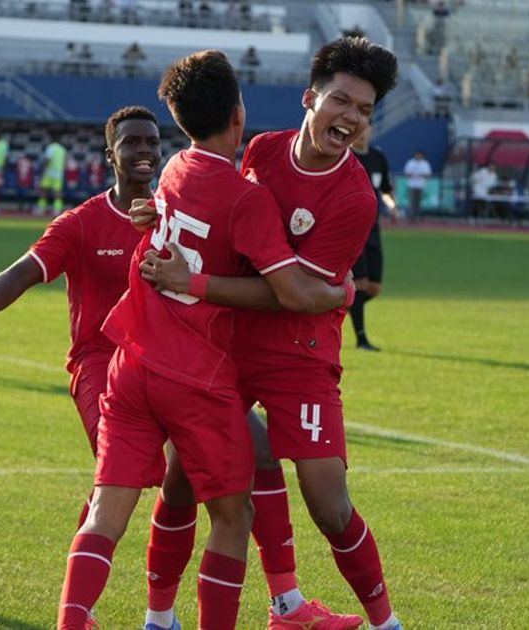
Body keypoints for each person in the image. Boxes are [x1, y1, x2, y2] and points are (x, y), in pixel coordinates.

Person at [56, 49, 355, 630]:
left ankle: (80, 621)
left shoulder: (171, 172)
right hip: (195, 374)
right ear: (239, 116)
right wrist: (340, 292)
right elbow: (292, 291)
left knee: (107, 513)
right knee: (232, 515)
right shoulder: (246, 198)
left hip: (131, 361)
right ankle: (266, 607)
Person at [138, 37, 404, 630]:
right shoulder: (260, 150)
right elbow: (220, 226)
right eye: (342, 101)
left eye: (364, 110)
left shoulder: (356, 197)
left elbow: (295, 298)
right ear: (311, 98)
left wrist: (196, 282)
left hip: (298, 355)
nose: (352, 119)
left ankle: (386, 623)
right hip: (226, 348)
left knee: (330, 508)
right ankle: (161, 617)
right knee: (181, 479)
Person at [0, 105, 161, 529]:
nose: (144, 150)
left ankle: (275, 591)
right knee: (124, 468)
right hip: (100, 363)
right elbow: (24, 269)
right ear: (110, 155)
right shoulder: (82, 223)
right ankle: (81, 580)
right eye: (131, 142)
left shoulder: (175, 217)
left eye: (152, 141)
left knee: (204, 477)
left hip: (165, 363)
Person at [351, 128, 399, 352]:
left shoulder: (378, 157)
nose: (362, 133)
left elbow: (386, 190)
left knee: (373, 287)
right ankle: (361, 340)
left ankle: (342, 307)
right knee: (359, 283)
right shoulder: (346, 157)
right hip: (352, 229)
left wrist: (392, 206)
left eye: (366, 129)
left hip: (373, 228)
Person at [38, 136, 68, 215]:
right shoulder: (62, 149)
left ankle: (41, 208)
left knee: (43, 190)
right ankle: (57, 209)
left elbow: (48, 160)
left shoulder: (51, 148)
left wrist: (43, 171)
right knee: (57, 191)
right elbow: (65, 163)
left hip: (49, 172)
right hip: (58, 174)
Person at [402, 149, 432, 222]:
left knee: (419, 203)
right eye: (417, 154)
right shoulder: (410, 163)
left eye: (420, 155)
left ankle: (418, 216)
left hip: (421, 185)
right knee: (412, 202)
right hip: (412, 185)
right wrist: (412, 174)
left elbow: (428, 174)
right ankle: (411, 217)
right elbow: (406, 173)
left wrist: (421, 175)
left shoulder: (425, 164)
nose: (418, 156)